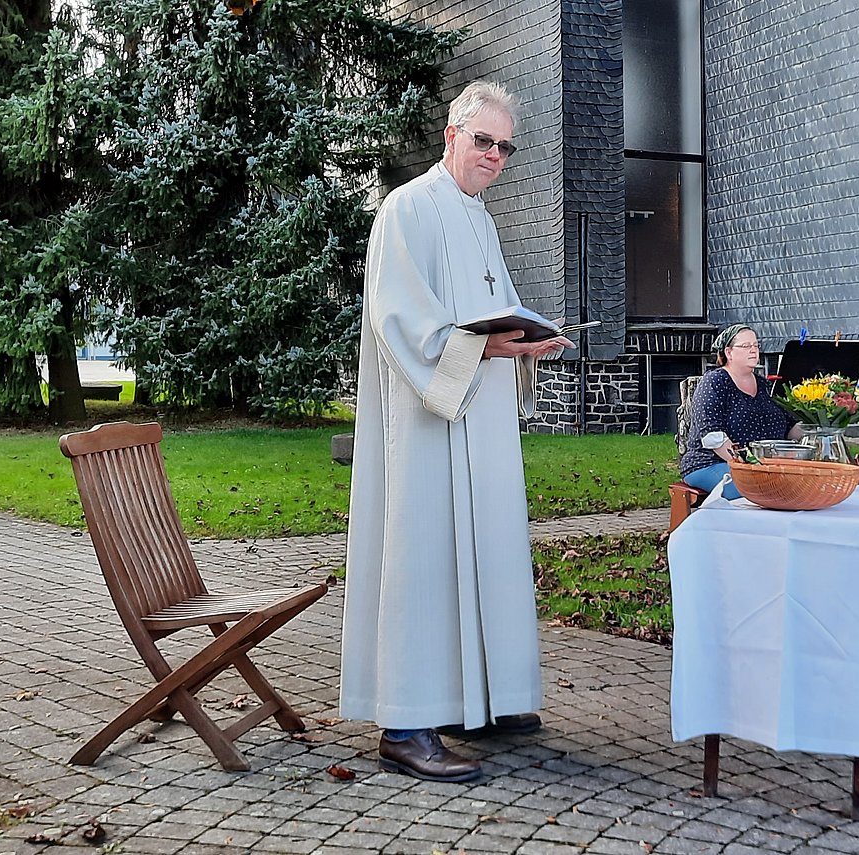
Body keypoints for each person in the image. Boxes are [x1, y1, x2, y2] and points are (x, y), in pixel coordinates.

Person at [340, 81, 574, 783]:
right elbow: (401, 320)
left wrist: (525, 342)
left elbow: (494, 312)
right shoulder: (407, 208)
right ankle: (406, 724)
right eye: (483, 140)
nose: (494, 155)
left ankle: (478, 701)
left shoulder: (481, 220)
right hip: (426, 425)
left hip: (481, 421)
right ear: (451, 136)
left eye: (505, 146)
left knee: (484, 552)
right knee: (424, 556)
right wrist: (485, 346)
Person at [679, 324, 801, 499]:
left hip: (766, 467)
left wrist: (819, 417)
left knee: (803, 486)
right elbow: (712, 435)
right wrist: (749, 464)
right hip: (711, 463)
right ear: (728, 352)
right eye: (746, 346)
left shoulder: (766, 386)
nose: (753, 350)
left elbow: (790, 427)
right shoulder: (714, 382)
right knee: (762, 491)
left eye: (756, 345)